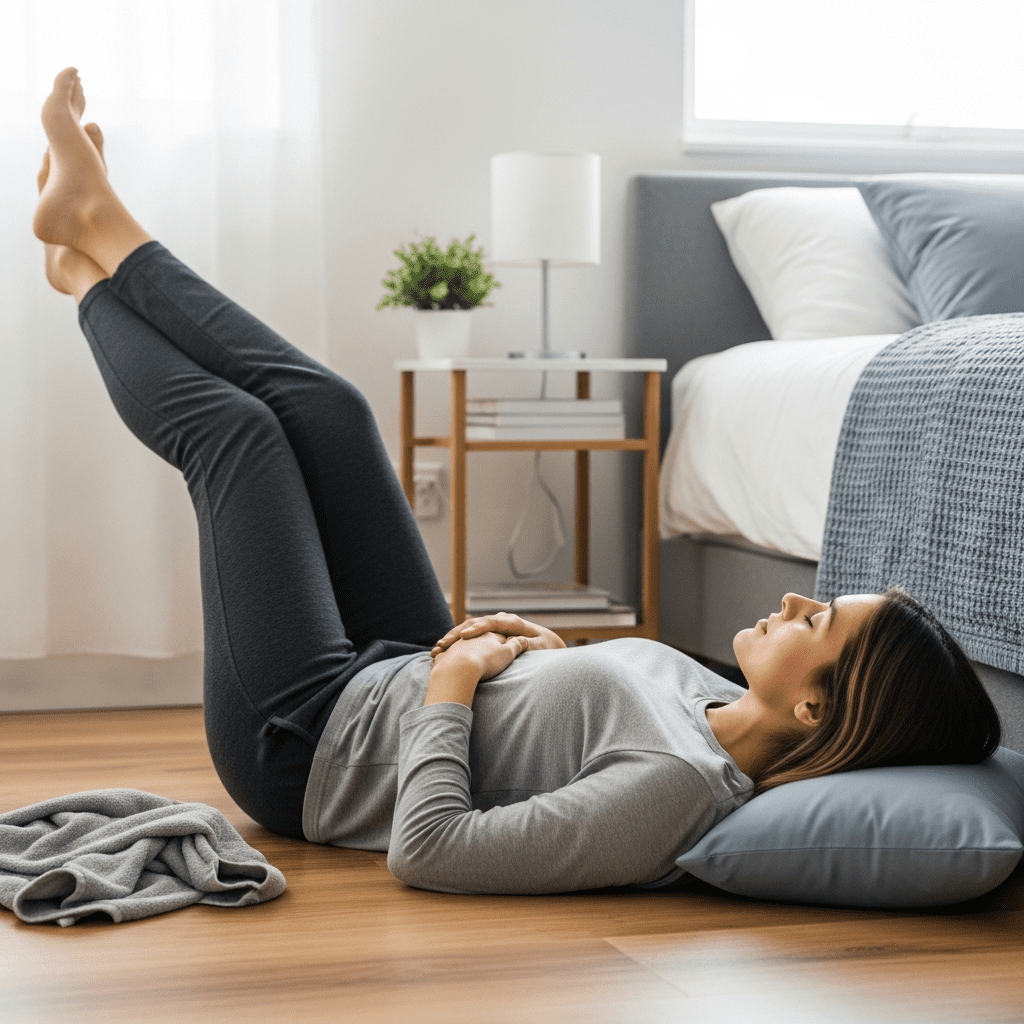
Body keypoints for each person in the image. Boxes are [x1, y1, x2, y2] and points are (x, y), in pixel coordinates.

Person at [33, 68, 1001, 895]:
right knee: (334, 412)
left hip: (309, 743)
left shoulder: (678, 789)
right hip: (402, 666)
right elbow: (569, 720)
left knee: (240, 439)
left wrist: (453, 689)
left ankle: (84, 277)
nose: (796, 595)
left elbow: (431, 851)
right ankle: (102, 231)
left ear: (813, 713)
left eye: (818, 622)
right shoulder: (713, 691)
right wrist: (539, 648)